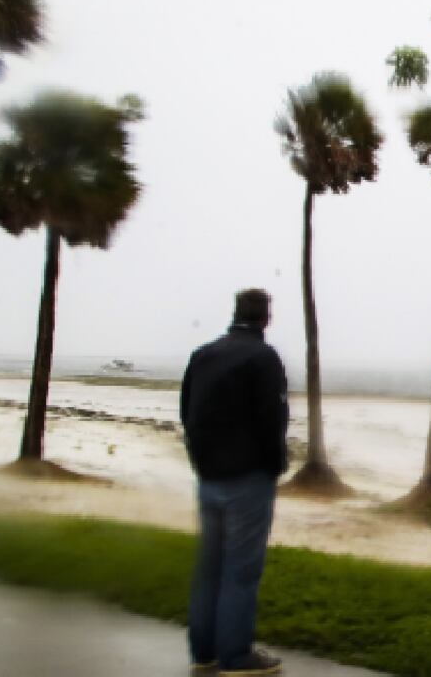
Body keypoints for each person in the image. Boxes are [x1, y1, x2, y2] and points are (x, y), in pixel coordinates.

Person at [180, 289, 289, 675]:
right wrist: (275, 465)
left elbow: (187, 412)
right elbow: (272, 420)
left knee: (209, 567)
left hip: (209, 475)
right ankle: (236, 656)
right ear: (266, 317)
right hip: (249, 477)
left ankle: (204, 651)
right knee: (241, 571)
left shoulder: (204, 355)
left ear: (236, 313)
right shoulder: (263, 358)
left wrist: (201, 460)